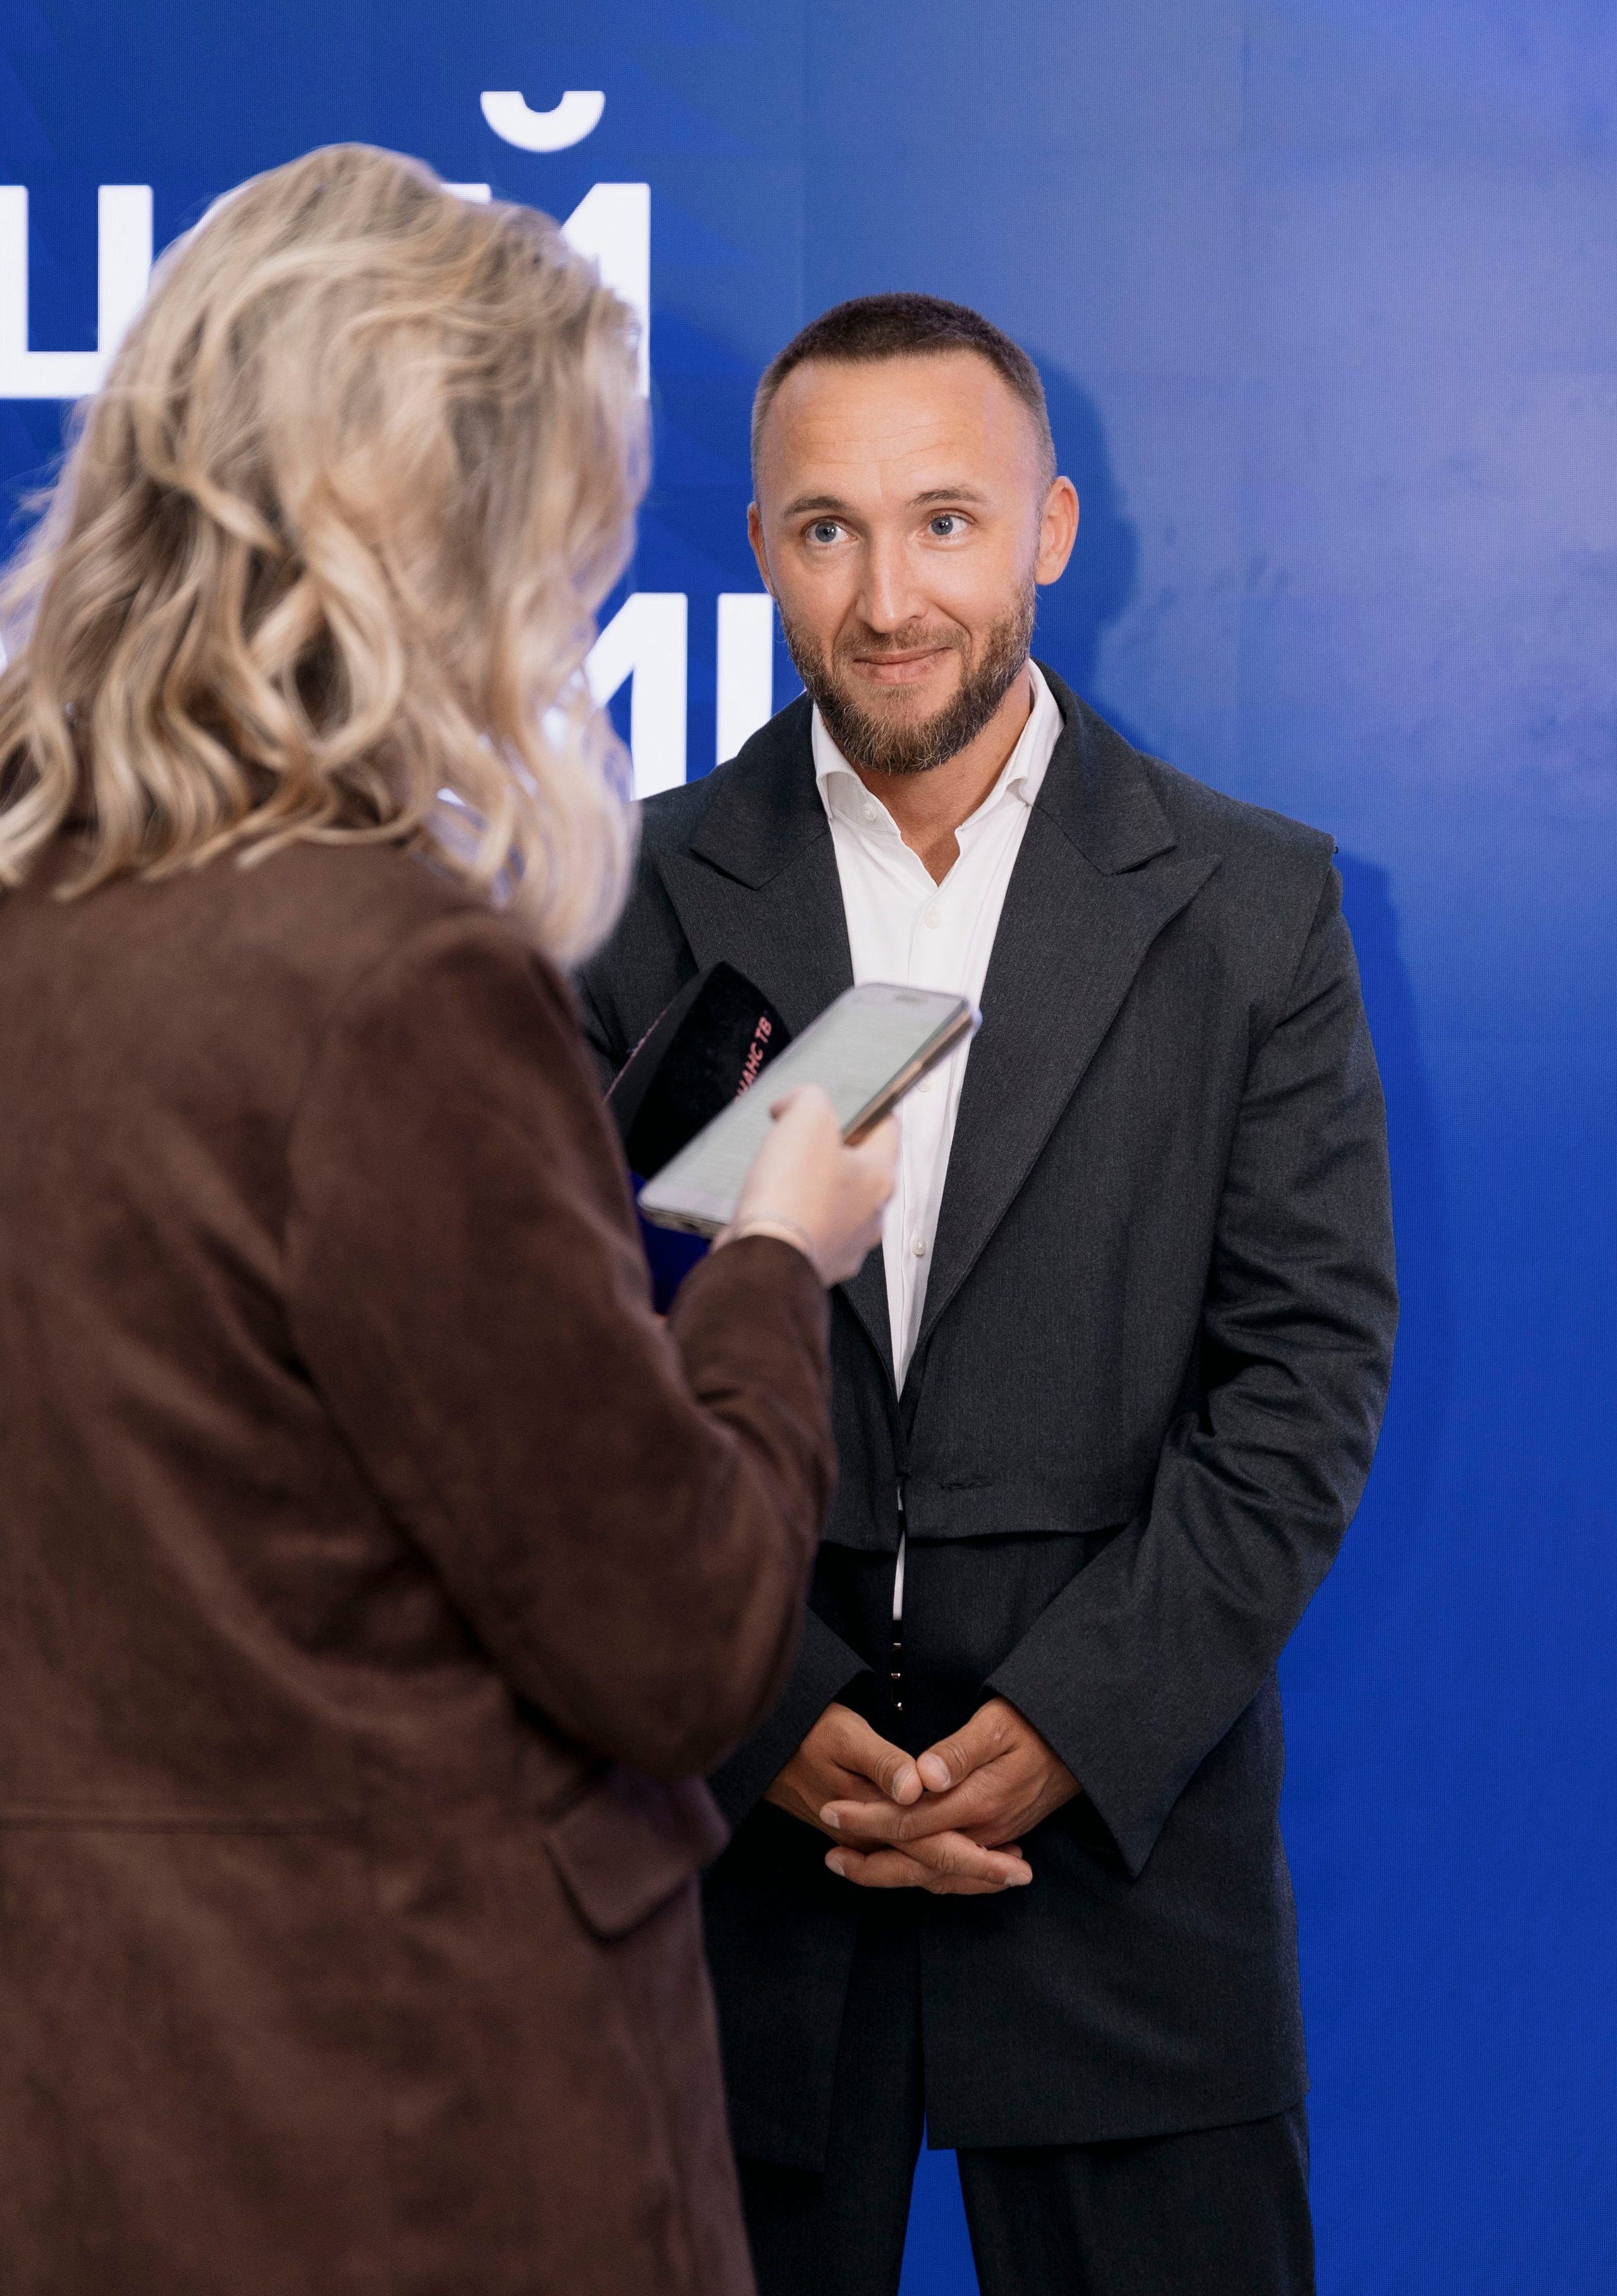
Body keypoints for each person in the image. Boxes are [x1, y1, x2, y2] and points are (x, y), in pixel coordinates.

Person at [0, 147, 896, 2296]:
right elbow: (678, 1641)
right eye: (566, 537)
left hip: (88, 2111)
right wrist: (772, 1258)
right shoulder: (397, 986)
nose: (574, 609)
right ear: (442, 540)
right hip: (412, 2129)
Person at [577, 292, 1399, 2296]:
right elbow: (570, 1391)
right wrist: (765, 1711)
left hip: (1126, 1864)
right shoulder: (616, 899)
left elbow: (1302, 1379)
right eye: (828, 530)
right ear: (760, 548)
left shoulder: (1254, 906)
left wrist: (1072, 1721)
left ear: (1050, 527)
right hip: (733, 1881)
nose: (887, 600)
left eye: (943, 521)